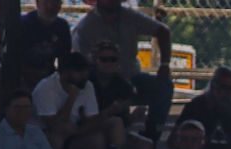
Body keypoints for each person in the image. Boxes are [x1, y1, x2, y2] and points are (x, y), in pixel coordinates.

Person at [71, 0, 173, 141]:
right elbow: (80, 63)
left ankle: (151, 135)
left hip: (131, 78)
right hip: (102, 83)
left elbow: (163, 31)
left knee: (163, 87)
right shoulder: (85, 27)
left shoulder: (131, 17)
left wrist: (165, 64)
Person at [33, 52, 118, 149]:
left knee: (97, 140)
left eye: (86, 71)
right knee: (55, 139)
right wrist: (71, 98)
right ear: (64, 73)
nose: (85, 76)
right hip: (44, 136)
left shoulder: (87, 86)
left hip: (73, 134)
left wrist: (79, 129)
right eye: (80, 72)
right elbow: (53, 125)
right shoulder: (46, 88)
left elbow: (92, 120)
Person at [89, 41, 152, 149]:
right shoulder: (87, 82)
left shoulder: (123, 85)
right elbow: (86, 118)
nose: (108, 63)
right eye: (104, 59)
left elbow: (125, 120)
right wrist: (110, 111)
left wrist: (134, 116)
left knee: (146, 145)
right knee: (115, 122)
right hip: (89, 128)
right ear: (95, 60)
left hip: (116, 134)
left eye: (113, 59)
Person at [177, 66, 231, 149]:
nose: (226, 92)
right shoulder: (196, 105)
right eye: (223, 87)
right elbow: (175, 137)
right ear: (213, 86)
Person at [13, 0, 71, 89]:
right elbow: (14, 57)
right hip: (22, 77)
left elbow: (64, 58)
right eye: (47, 2)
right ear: (38, 3)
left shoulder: (62, 26)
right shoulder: (23, 24)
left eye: (56, 2)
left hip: (48, 76)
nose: (50, 6)